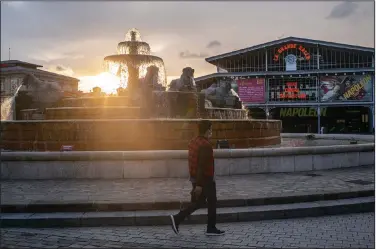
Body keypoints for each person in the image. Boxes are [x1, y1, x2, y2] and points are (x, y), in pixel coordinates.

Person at [170, 120, 224, 236]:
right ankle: (211, 228)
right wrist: (199, 185)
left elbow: (194, 163)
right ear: (208, 130)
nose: (212, 131)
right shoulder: (205, 145)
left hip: (197, 178)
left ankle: (177, 218)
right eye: (211, 129)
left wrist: (196, 181)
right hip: (205, 179)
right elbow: (201, 166)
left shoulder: (194, 142)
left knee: (199, 203)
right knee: (212, 202)